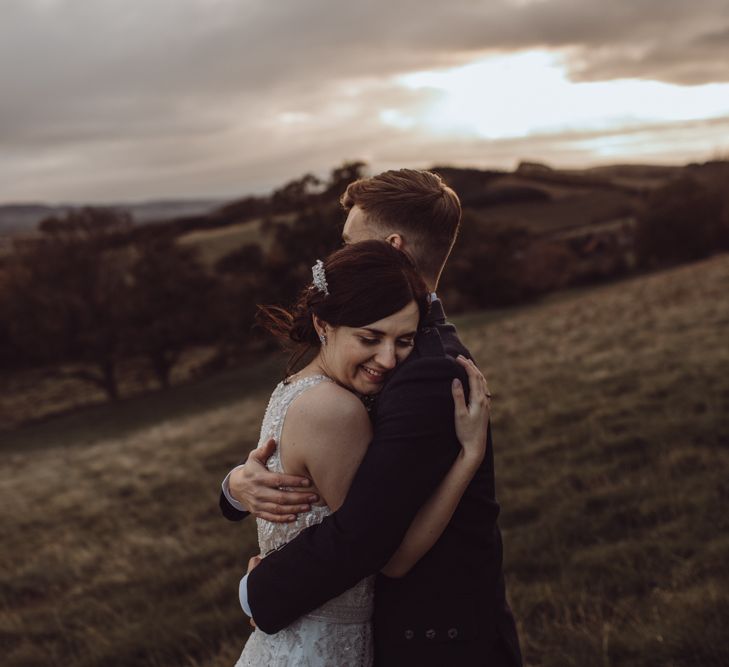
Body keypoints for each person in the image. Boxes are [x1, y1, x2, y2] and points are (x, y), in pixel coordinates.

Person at [222, 169, 522, 666]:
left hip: (442, 646)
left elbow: (363, 536)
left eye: (348, 241)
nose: (341, 258)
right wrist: (235, 485)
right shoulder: (365, 366)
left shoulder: (426, 369)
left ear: (395, 248)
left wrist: (261, 590)